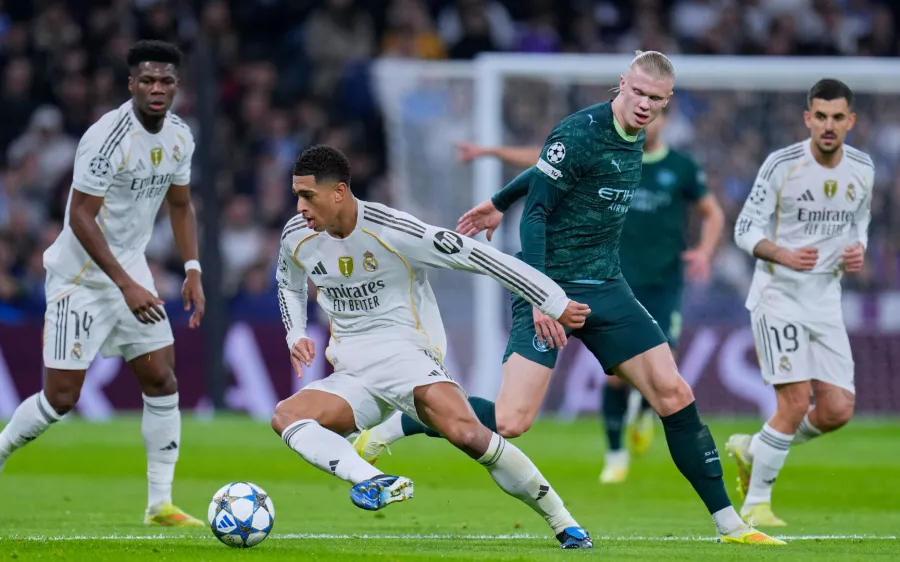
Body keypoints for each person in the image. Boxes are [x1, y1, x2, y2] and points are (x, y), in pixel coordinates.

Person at [355, 51, 782, 545]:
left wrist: (498, 200)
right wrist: (542, 296)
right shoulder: (581, 131)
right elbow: (536, 214)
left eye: (655, 99)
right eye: (638, 93)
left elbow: (546, 172)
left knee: (674, 394)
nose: (644, 105)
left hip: (606, 285)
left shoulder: (637, 135)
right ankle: (404, 423)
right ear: (622, 84)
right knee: (511, 421)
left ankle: (730, 524)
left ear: (667, 102)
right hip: (547, 283)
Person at [272, 144, 595, 549]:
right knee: (286, 416)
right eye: (297, 196)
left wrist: (552, 301)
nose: (300, 207)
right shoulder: (296, 235)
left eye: (307, 196)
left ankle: (564, 522)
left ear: (338, 192)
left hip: (407, 358)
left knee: (469, 435)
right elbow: (288, 282)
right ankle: (373, 480)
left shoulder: (394, 230)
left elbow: (482, 258)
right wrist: (296, 333)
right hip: (352, 371)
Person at [0, 40, 205, 528]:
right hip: (81, 278)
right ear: (131, 84)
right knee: (61, 399)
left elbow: (180, 204)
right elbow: (79, 216)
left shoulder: (181, 136)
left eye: (166, 81)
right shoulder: (107, 137)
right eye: (147, 80)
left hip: (131, 270)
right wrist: (125, 285)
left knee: (162, 378)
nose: (157, 89)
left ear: (177, 86)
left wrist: (193, 268)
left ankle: (159, 503)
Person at [440, 105, 725, 484]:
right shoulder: (606, 146)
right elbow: (546, 165)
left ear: (667, 117)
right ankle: (616, 454)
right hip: (604, 277)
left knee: (666, 372)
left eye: (656, 110)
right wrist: (493, 159)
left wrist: (704, 251)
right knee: (613, 381)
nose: (646, 116)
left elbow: (712, 211)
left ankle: (646, 414)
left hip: (659, 281)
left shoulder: (679, 167)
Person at [726, 78, 873, 527]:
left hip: (826, 299)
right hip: (779, 296)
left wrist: (858, 250)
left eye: (837, 117)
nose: (828, 125)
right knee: (792, 403)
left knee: (836, 410)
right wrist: (781, 253)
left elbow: (860, 223)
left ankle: (754, 447)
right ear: (808, 118)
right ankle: (756, 507)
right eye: (820, 116)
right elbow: (744, 229)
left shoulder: (863, 168)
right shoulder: (782, 164)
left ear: (850, 121)